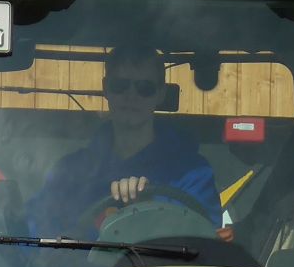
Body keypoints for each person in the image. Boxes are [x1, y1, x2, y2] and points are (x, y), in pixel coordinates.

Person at [26, 46, 220, 236]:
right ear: (105, 88)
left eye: (144, 88)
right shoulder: (70, 172)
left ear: (161, 93)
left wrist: (149, 209)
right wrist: (52, 248)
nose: (131, 96)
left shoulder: (193, 174)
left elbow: (205, 241)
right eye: (120, 85)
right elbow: (33, 228)